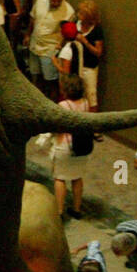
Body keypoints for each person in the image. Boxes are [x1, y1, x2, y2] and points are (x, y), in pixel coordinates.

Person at [51, 74, 90, 219]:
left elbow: (57, 125)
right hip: (82, 146)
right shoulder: (86, 103)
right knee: (77, 177)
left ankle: (59, 211)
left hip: (65, 145)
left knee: (60, 178)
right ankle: (77, 209)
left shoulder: (63, 106)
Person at [27, 0, 74, 100]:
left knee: (50, 80)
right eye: (53, 1)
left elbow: (68, 33)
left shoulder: (68, 11)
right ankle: (35, 99)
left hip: (50, 49)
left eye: (59, 1)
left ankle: (50, 102)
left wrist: (60, 46)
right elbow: (33, 18)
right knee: (35, 75)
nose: (56, 4)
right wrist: (28, 34)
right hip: (35, 44)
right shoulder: (40, 0)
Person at [72, 0, 105, 116]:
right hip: (75, 65)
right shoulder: (76, 23)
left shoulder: (96, 29)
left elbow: (98, 52)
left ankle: (93, 126)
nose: (78, 15)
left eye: (82, 14)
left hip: (89, 68)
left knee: (91, 96)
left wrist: (85, 42)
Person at [54, 20, 82, 99]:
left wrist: (55, 62)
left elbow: (66, 72)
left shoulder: (66, 50)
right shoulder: (78, 44)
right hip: (77, 80)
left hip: (67, 87)